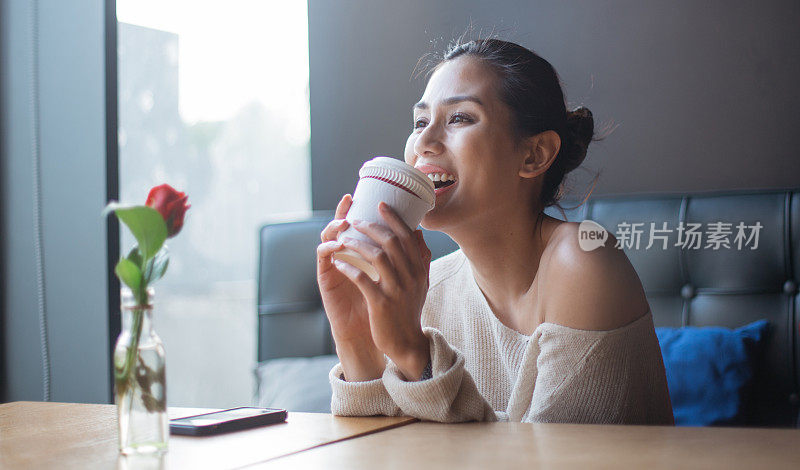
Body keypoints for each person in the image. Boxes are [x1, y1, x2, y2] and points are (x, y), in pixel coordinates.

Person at [315, 38, 674, 424]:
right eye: (420, 122)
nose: (423, 141)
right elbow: (379, 456)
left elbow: (553, 461)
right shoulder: (422, 291)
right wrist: (356, 343)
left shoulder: (584, 260)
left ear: (533, 155)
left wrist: (414, 354)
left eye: (460, 118)